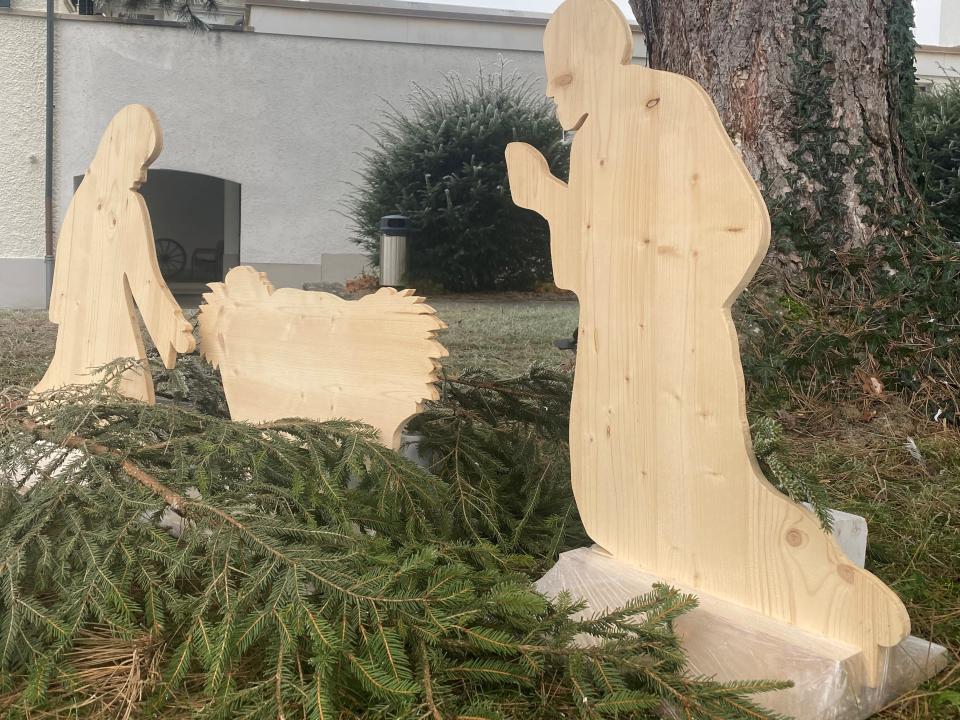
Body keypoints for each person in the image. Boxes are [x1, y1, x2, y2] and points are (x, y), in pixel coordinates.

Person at [506, 0, 907, 684]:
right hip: (612, 354)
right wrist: (548, 199)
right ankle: (682, 566)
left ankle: (836, 606)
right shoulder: (596, 135)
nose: (551, 93)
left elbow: (737, 223)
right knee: (613, 492)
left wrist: (675, 305)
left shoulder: (668, 104)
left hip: (676, 347)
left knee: (707, 473)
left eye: (564, 76)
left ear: (605, 58)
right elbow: (588, 261)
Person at [34, 104, 195, 403]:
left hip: (78, 316)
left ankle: (66, 399)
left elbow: (66, 260)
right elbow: (145, 279)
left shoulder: (82, 198)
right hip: (108, 318)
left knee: (78, 369)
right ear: (121, 155)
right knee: (122, 379)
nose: (143, 174)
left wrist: (59, 307)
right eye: (140, 161)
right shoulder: (125, 206)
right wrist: (171, 326)